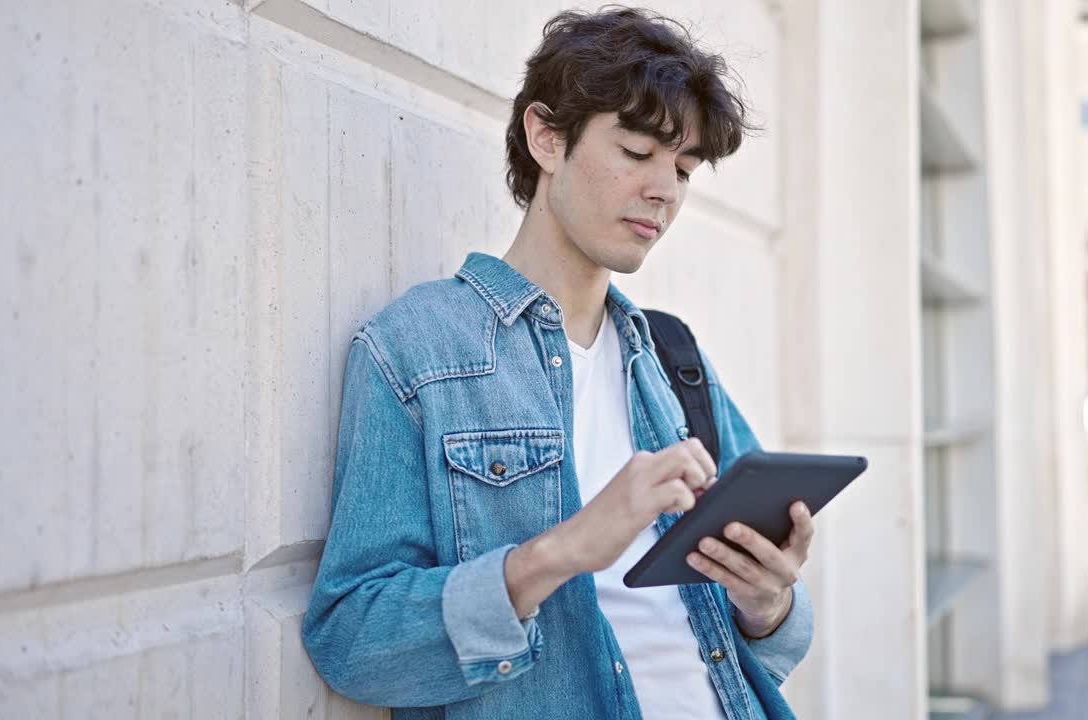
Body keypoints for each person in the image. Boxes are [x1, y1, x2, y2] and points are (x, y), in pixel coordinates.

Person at [302, 7, 814, 719]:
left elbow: (772, 641)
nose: (665, 190)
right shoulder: (415, 351)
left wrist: (770, 599)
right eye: (637, 153)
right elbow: (353, 639)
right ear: (546, 137)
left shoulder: (675, 360)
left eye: (685, 169)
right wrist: (562, 551)